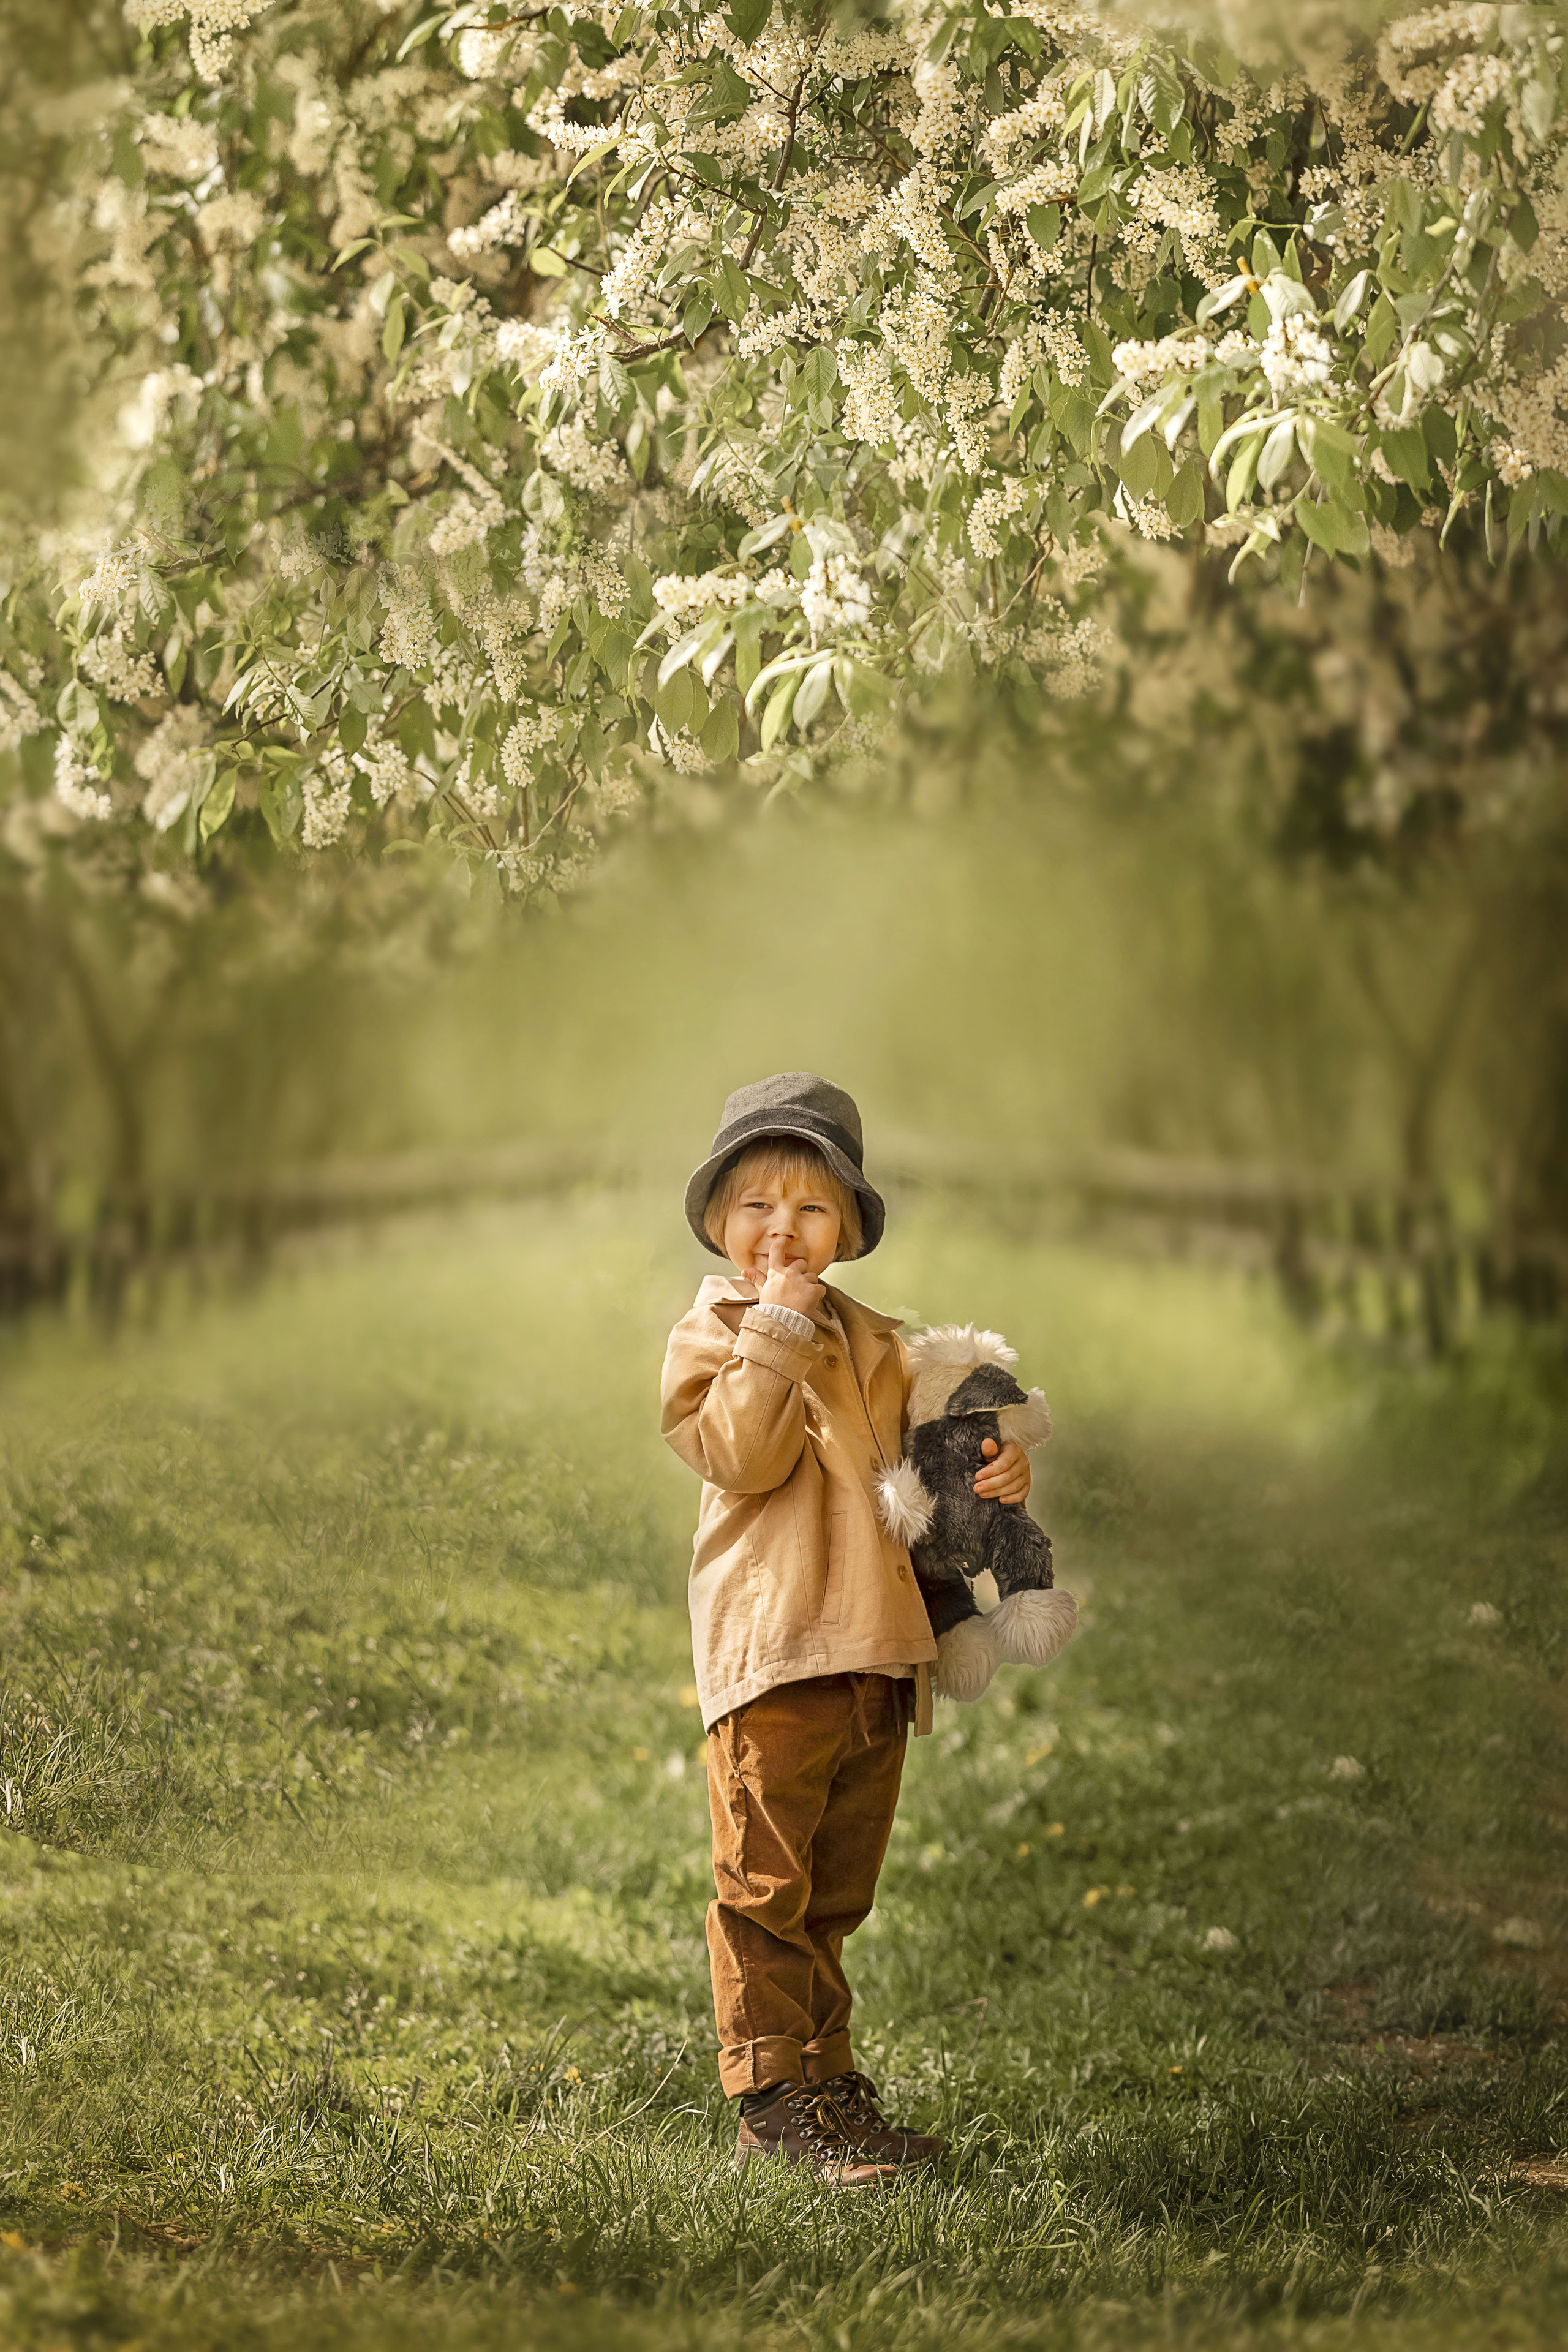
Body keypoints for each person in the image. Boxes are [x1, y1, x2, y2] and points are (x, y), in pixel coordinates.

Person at [660, 1072, 1033, 2185]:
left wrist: (999, 1471)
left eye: (812, 1208)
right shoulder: (717, 1332)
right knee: (766, 1887)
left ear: (850, 1232)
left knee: (834, 1893)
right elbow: (743, 1455)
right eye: (757, 1206)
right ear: (719, 1221)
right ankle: (771, 2101)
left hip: (875, 1651)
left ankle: (827, 2085)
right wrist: (777, 1326)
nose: (783, 1229)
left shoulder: (878, 1342)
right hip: (776, 1652)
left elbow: (928, 1473)